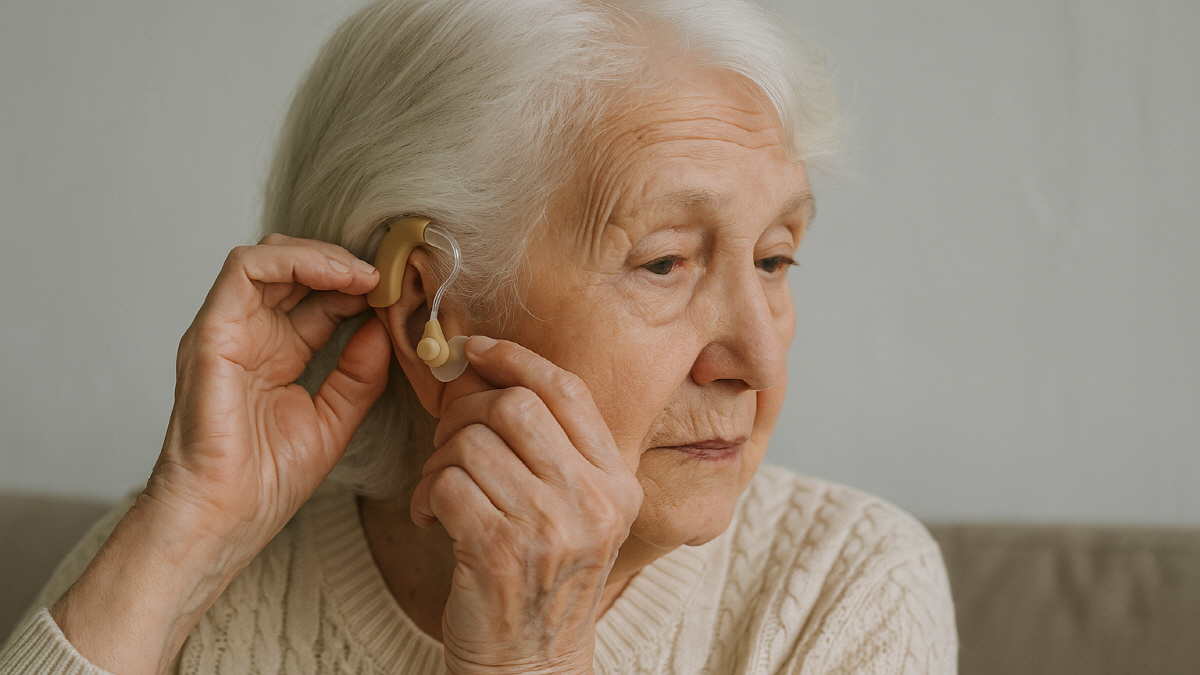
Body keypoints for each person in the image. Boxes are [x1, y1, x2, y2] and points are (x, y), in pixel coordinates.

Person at [0, 0, 957, 673]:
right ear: (429, 311)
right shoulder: (190, 561)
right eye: (666, 262)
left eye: (775, 259)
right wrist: (177, 545)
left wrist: (529, 661)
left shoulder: (846, 587)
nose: (758, 355)